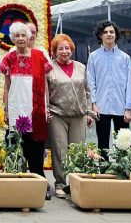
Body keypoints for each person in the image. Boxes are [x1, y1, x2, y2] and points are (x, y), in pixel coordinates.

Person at [0, 22, 52, 197]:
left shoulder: (39, 56)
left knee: (35, 149)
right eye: (17, 36)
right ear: (12, 38)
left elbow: (45, 83)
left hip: (35, 109)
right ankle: (17, 186)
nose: (21, 38)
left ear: (29, 37)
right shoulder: (9, 58)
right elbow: (7, 85)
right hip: (16, 108)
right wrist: (6, 109)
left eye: (24, 35)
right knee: (16, 147)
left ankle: (39, 185)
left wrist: (47, 106)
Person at [46, 33, 92, 198]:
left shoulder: (81, 67)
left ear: (71, 50)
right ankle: (60, 183)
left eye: (67, 48)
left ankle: (75, 183)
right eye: (60, 49)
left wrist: (89, 112)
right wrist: (46, 110)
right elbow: (45, 92)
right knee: (60, 150)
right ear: (54, 51)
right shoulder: (49, 68)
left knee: (77, 150)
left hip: (79, 115)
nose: (64, 51)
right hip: (57, 114)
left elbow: (87, 91)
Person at [86, 20, 131, 153]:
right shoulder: (93, 57)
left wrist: (129, 108)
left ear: (116, 35)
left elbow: (129, 84)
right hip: (100, 106)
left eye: (112, 32)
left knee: (123, 144)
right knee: (102, 144)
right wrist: (93, 104)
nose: (109, 34)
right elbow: (90, 83)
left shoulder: (125, 58)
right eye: (105, 32)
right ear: (100, 35)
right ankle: (104, 166)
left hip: (121, 106)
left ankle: (122, 166)